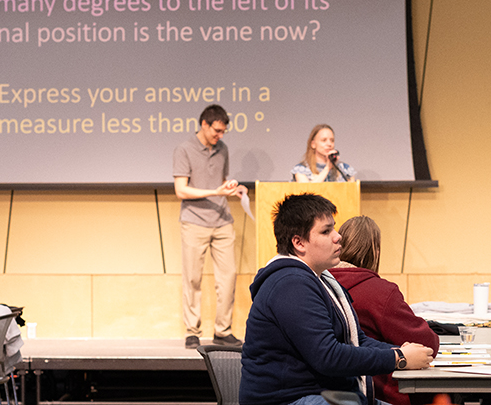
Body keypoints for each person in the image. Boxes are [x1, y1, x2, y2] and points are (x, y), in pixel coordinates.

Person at [239, 194, 434, 405]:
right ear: (299, 243)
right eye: (326, 231)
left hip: (322, 395)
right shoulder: (291, 284)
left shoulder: (320, 279)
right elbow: (328, 357)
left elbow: (357, 340)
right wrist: (399, 359)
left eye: (334, 228)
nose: (337, 236)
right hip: (293, 399)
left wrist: (401, 351)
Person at [329, 216, 440, 405]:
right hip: (380, 394)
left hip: (330, 394)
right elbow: (427, 344)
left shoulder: (316, 284)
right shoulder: (381, 292)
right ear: (376, 252)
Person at [173, 104, 247, 349]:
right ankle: (192, 331)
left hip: (222, 220)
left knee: (227, 278)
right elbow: (181, 190)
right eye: (216, 130)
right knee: (192, 278)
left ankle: (222, 330)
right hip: (194, 221)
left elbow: (221, 182)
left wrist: (233, 188)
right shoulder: (184, 149)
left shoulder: (222, 149)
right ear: (204, 124)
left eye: (223, 131)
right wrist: (215, 191)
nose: (220, 135)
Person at [292, 124, 357, 182]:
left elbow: (351, 193)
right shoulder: (302, 169)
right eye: (324, 140)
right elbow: (308, 191)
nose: (329, 144)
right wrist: (327, 168)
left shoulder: (344, 169)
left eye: (332, 140)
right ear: (313, 144)